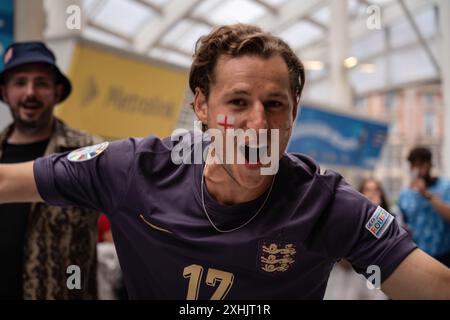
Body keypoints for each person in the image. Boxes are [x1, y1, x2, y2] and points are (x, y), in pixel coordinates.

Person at [0, 24, 450, 299]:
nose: (258, 123)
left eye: (275, 104)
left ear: (295, 109)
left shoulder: (327, 203)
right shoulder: (133, 169)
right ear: (201, 105)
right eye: (237, 102)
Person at [0, 42, 100, 299]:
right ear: (4, 92)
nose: (30, 92)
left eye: (41, 83)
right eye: (20, 82)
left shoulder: (87, 151)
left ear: (57, 92)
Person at [398, 146, 450, 267]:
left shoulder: (445, 187)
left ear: (430, 165)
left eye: (421, 164)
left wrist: (426, 195)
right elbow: (403, 224)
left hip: (446, 255)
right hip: (419, 257)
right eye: (413, 165)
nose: (418, 169)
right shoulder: (405, 194)